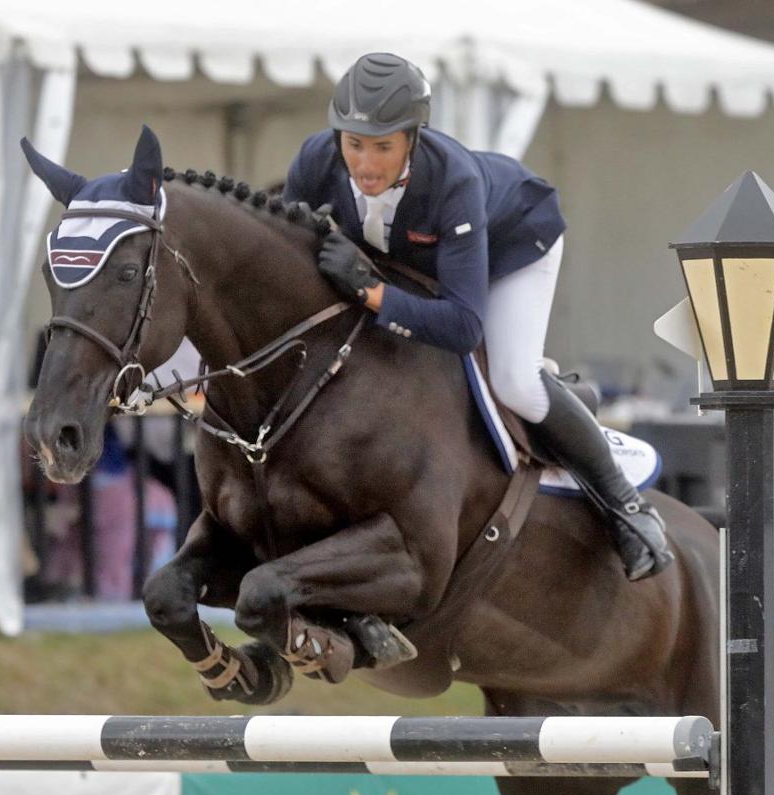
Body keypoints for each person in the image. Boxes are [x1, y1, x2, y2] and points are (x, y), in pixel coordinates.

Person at [281, 52, 673, 580]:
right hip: (425, 261)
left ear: (412, 139)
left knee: (514, 381)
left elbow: (464, 326)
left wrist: (373, 294)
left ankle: (626, 506)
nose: (366, 165)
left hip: (516, 243)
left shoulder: (451, 181)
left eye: (383, 147)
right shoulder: (314, 163)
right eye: (354, 144)